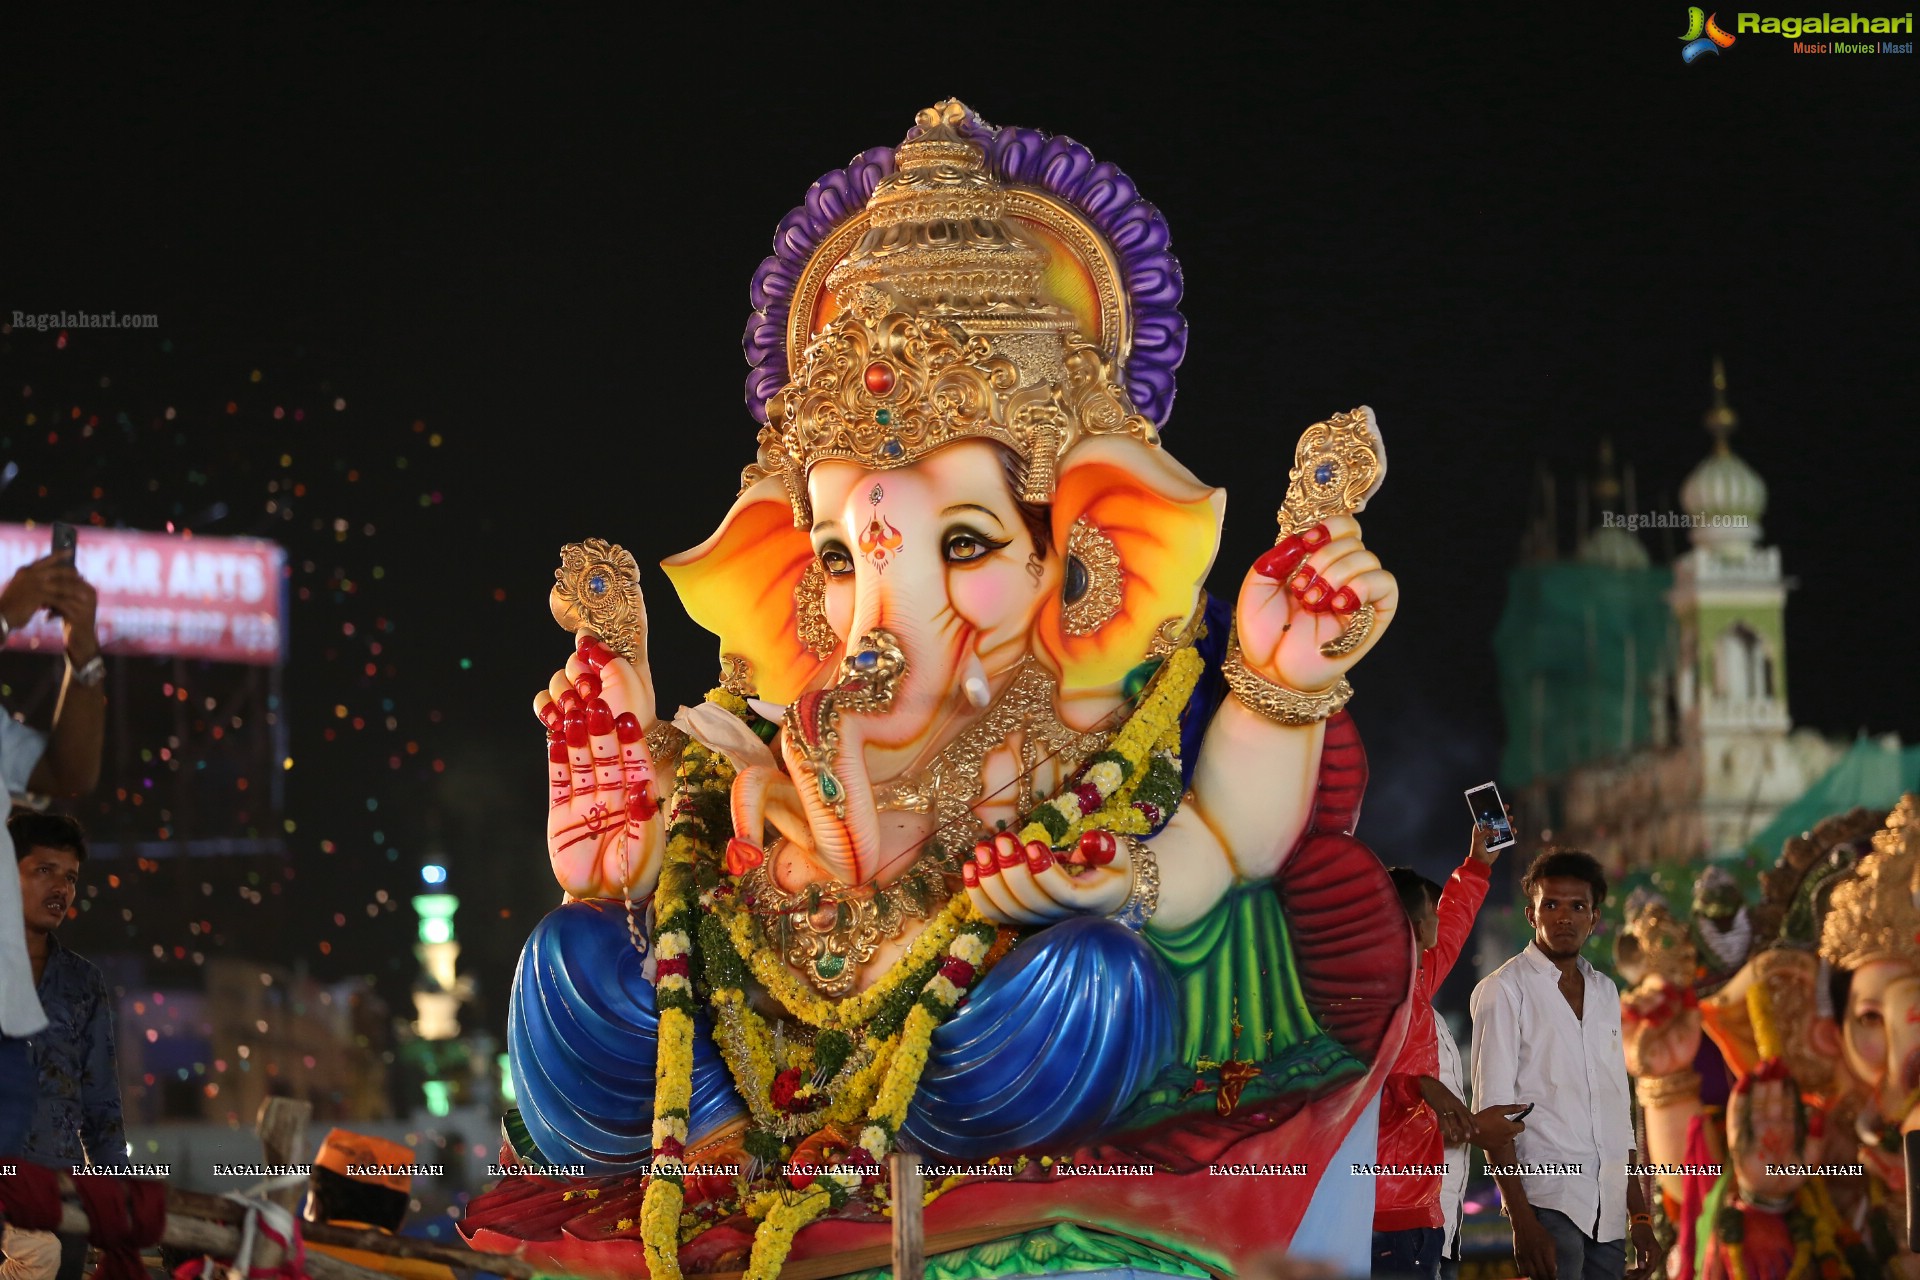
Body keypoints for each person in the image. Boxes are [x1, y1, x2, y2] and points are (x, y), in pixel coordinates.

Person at [1471, 849, 1660, 1280]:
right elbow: (1491, 1120)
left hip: (1608, 1213)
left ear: (1594, 918)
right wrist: (1522, 1223)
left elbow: (1617, 1114)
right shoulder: (1503, 991)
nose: (1564, 917)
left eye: (1578, 907)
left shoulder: (1606, 992)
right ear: (1531, 914)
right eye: (1551, 905)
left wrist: (1640, 1217)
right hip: (1546, 1204)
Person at [1371, 822, 1517, 1279]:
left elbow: (1452, 925)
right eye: (1432, 910)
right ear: (1417, 926)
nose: (1440, 918)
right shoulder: (1364, 999)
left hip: (1426, 1206)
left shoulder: (1415, 981)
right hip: (1384, 1211)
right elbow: (1353, 1094)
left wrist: (1477, 865)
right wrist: (1423, 1089)